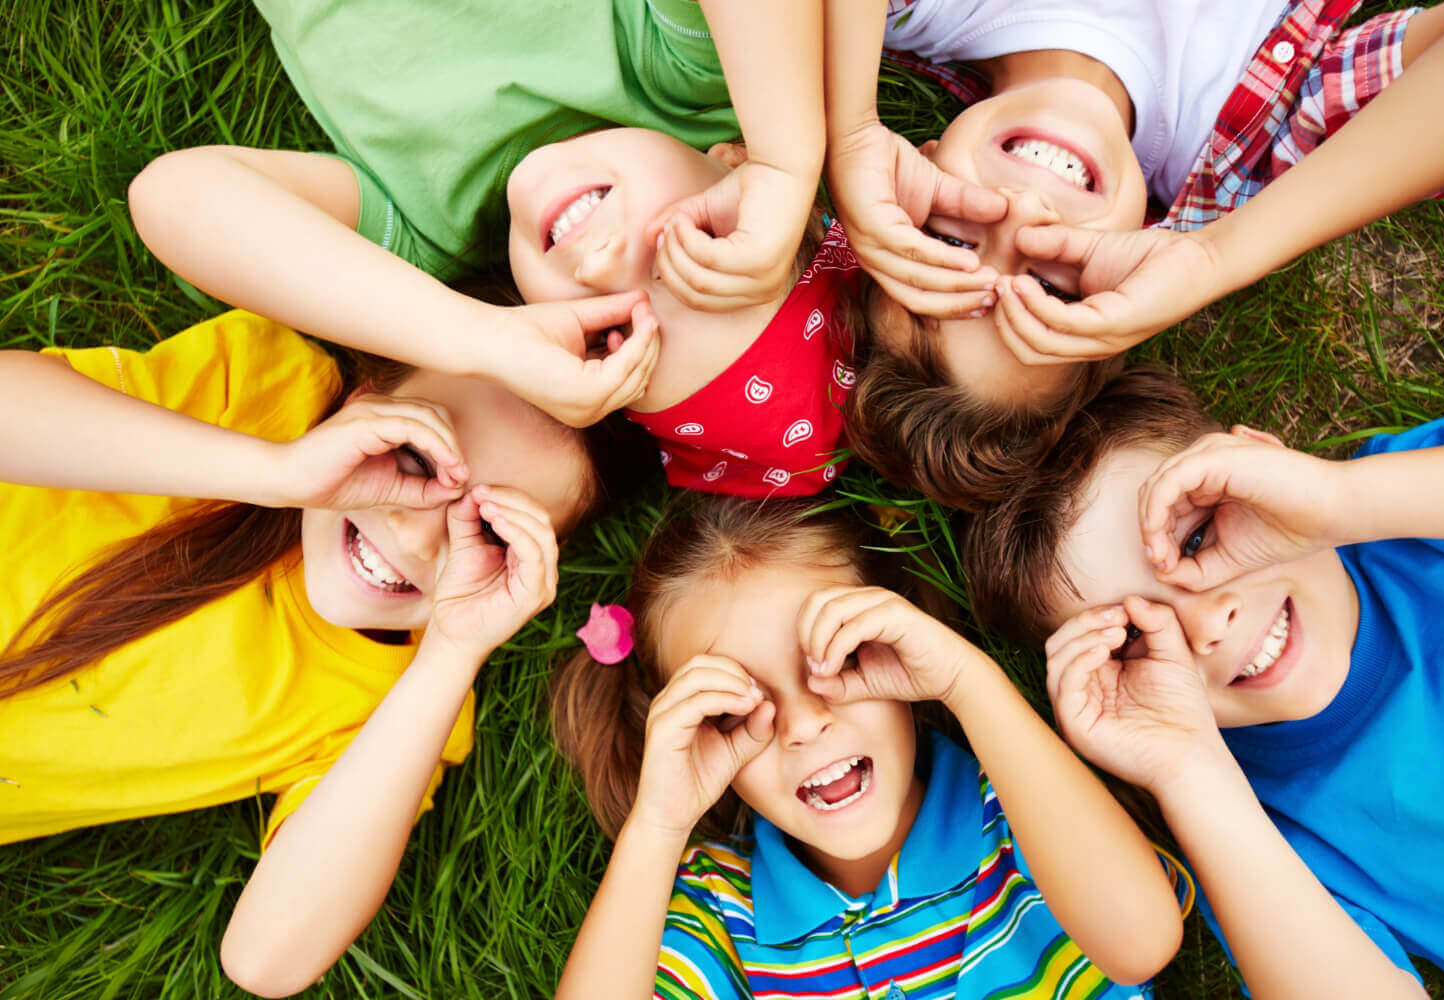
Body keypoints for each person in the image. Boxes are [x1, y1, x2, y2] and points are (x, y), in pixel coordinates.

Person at [0, 308, 632, 998]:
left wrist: (453, 650)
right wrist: (278, 472)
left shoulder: (400, 704)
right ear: (364, 402)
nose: (416, 540)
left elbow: (267, 958)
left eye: (489, 532)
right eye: (416, 459)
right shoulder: (264, 391)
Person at [128, 0, 864, 497]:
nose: (604, 264)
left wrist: (481, 337)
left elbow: (175, 196)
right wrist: (787, 156)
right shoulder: (684, 73)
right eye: (696, 246)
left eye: (608, 334)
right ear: (732, 162)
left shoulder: (427, 235)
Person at [822, 0, 1444, 508]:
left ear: (911, 176)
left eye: (949, 244)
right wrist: (1212, 256)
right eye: (1054, 286)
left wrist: (848, 126)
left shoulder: (918, 12)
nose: (1026, 213)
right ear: (1128, 270)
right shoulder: (1255, 147)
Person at [961, 366, 1444, 996]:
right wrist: (1188, 771)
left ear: (1263, 467)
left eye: (1197, 540)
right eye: (1135, 635)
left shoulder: (1420, 509)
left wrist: (1340, 500)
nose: (1207, 623)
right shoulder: (1248, 831)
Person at [549, 496, 1185, 999]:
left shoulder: (1025, 809)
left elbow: (1144, 944)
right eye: (736, 708)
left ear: (902, 641)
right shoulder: (722, 911)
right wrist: (657, 824)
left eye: (838, 659)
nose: (803, 725)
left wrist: (967, 681)